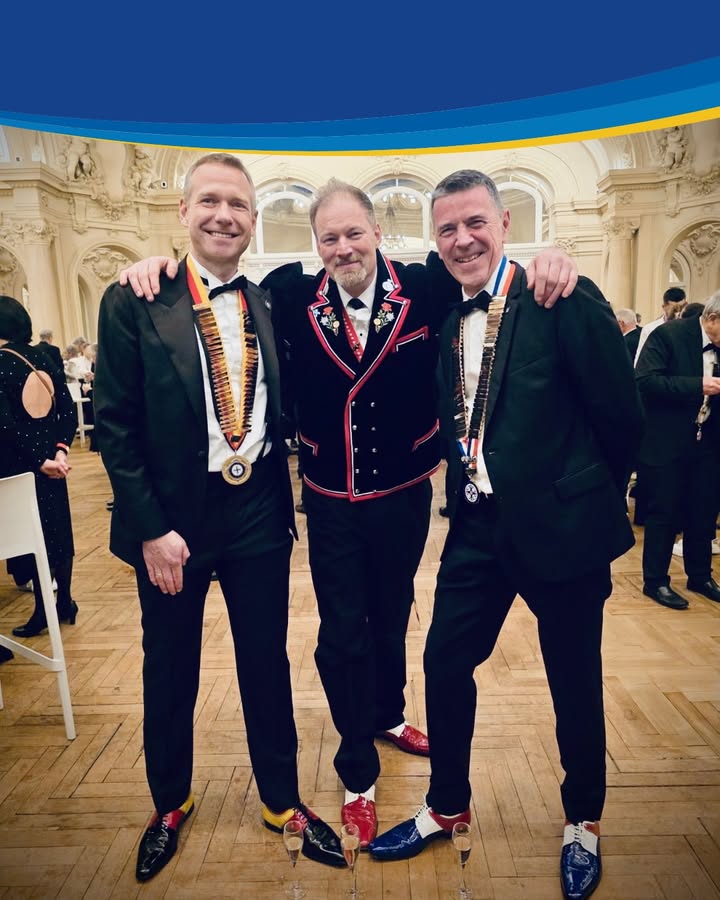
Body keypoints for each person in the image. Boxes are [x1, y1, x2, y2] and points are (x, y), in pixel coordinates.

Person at [119, 178, 578, 848]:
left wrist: (549, 258)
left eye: (354, 233)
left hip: (405, 491)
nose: (343, 248)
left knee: (393, 615)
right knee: (342, 636)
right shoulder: (288, 295)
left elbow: (490, 273)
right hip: (331, 499)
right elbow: (203, 283)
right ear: (316, 246)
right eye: (329, 238)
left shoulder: (426, 286)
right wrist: (154, 264)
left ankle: (388, 713)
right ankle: (356, 771)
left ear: (377, 233)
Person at [367, 170, 643, 900]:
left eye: (475, 223)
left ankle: (583, 819)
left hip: (563, 531)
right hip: (477, 528)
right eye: (447, 228)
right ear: (435, 240)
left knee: (573, 681)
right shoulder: (445, 313)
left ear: (505, 224)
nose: (462, 239)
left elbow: (622, 416)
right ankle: (446, 804)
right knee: (442, 662)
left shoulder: (561, 296)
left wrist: (583, 496)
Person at [93, 153, 343, 884]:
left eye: (237, 204)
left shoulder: (268, 300)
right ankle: (169, 802)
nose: (223, 215)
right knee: (170, 664)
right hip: (172, 518)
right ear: (183, 212)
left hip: (257, 506)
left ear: (254, 220)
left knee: (266, 659)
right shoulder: (135, 299)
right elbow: (115, 424)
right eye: (209, 200)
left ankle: (281, 799)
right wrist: (149, 528)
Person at [0, 295, 79, 642]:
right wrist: (59, 452)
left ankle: (43, 610)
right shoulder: (43, 357)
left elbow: (4, 425)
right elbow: (67, 411)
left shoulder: (1, 363)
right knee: (59, 532)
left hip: (19, 466)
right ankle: (65, 601)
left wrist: (37, 461)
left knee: (30, 537)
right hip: (53, 464)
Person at [634, 291, 720, 609]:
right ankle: (655, 581)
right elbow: (645, 381)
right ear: (713, 319)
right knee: (664, 513)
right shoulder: (668, 335)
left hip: (708, 442)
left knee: (704, 510)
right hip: (667, 441)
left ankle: (700, 575)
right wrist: (698, 385)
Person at [634, 287, 686, 363]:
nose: (678, 314)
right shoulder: (650, 329)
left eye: (681, 309)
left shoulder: (688, 329)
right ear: (664, 307)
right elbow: (640, 357)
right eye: (674, 310)